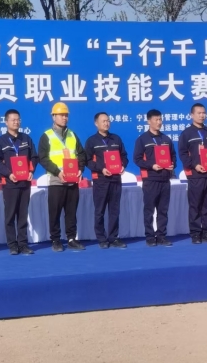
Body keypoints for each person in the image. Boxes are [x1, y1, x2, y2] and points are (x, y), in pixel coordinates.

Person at [38, 102, 86, 252]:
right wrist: (57, 172)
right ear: (53, 117)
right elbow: (43, 158)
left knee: (71, 212)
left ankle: (71, 238)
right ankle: (56, 240)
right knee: (55, 212)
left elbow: (81, 154)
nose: (65, 118)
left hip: (72, 180)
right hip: (56, 180)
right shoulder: (47, 136)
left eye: (66, 115)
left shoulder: (72, 134)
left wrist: (80, 169)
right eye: (61, 115)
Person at [0, 109, 39, 255]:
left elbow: (34, 157)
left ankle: (23, 244)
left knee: (23, 215)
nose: (16, 122)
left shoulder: (26, 139)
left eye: (18, 119)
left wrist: (31, 171)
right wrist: (9, 174)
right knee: (10, 215)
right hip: (10, 183)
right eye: (13, 120)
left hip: (25, 183)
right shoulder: (0, 141)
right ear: (6, 122)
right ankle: (12, 245)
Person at [178, 103, 207, 244]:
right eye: (199, 113)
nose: (202, 115)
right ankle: (195, 233)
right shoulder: (186, 134)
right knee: (195, 205)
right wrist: (194, 165)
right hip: (196, 175)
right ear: (192, 115)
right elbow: (182, 154)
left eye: (204, 113)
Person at [133, 109, 176, 247]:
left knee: (163, 210)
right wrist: (151, 166)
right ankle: (150, 236)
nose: (159, 122)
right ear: (149, 121)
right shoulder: (142, 139)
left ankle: (161, 236)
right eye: (156, 120)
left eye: (160, 119)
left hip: (165, 180)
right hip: (151, 180)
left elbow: (173, 155)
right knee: (149, 210)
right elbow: (137, 159)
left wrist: (172, 164)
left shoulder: (166, 139)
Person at [85, 112, 129, 249]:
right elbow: (87, 161)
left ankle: (113, 237)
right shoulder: (92, 141)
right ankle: (101, 238)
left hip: (116, 180)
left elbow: (124, 156)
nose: (106, 123)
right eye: (103, 121)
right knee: (100, 211)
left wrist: (123, 165)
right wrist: (101, 169)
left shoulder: (116, 139)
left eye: (108, 120)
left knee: (114, 210)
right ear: (96, 123)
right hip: (101, 181)